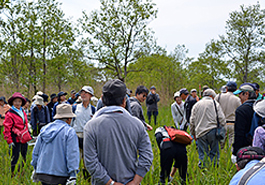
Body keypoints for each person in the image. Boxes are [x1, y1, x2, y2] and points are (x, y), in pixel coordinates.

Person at [84, 79, 153, 185]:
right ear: (125, 101)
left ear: (102, 99)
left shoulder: (91, 126)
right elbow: (147, 155)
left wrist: (110, 183)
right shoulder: (137, 124)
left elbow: (90, 162)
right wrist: (135, 181)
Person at [31, 104, 79, 185]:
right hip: (60, 174)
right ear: (69, 119)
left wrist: (35, 167)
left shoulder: (45, 129)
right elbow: (72, 154)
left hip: (42, 172)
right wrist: (73, 174)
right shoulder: (69, 132)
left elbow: (36, 151)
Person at [190, 89, 226, 168]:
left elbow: (192, 121)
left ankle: (203, 170)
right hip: (213, 131)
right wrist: (224, 129)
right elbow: (222, 118)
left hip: (200, 132)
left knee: (202, 153)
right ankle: (214, 168)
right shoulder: (215, 104)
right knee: (214, 152)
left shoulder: (196, 105)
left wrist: (193, 133)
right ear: (211, 96)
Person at [71, 86, 96, 178]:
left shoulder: (93, 110)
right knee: (75, 160)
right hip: (76, 136)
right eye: (82, 92)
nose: (83, 94)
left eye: (86, 93)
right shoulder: (75, 108)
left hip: (88, 137)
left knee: (87, 160)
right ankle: (75, 179)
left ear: (90, 96)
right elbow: (71, 123)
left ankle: (87, 179)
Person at [3, 92, 29, 175]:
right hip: (15, 138)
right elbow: (7, 129)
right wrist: (9, 141)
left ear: (22, 103)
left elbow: (25, 124)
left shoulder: (23, 111)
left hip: (23, 138)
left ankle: (21, 172)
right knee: (15, 157)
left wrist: (27, 134)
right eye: (15, 101)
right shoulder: (10, 113)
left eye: (19, 101)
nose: (17, 103)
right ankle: (12, 174)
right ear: (12, 102)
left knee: (24, 155)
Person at [232, 83, 257, 163]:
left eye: (240, 94)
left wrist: (236, 152)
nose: (239, 96)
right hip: (259, 145)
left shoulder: (241, 110)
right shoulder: (259, 107)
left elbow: (239, 133)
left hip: (245, 148)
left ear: (246, 94)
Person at [214, 81, 241, 148]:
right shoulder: (237, 99)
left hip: (220, 124)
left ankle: (219, 158)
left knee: (219, 146)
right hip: (232, 124)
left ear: (226, 88)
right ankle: (229, 158)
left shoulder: (218, 97)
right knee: (231, 146)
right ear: (235, 89)